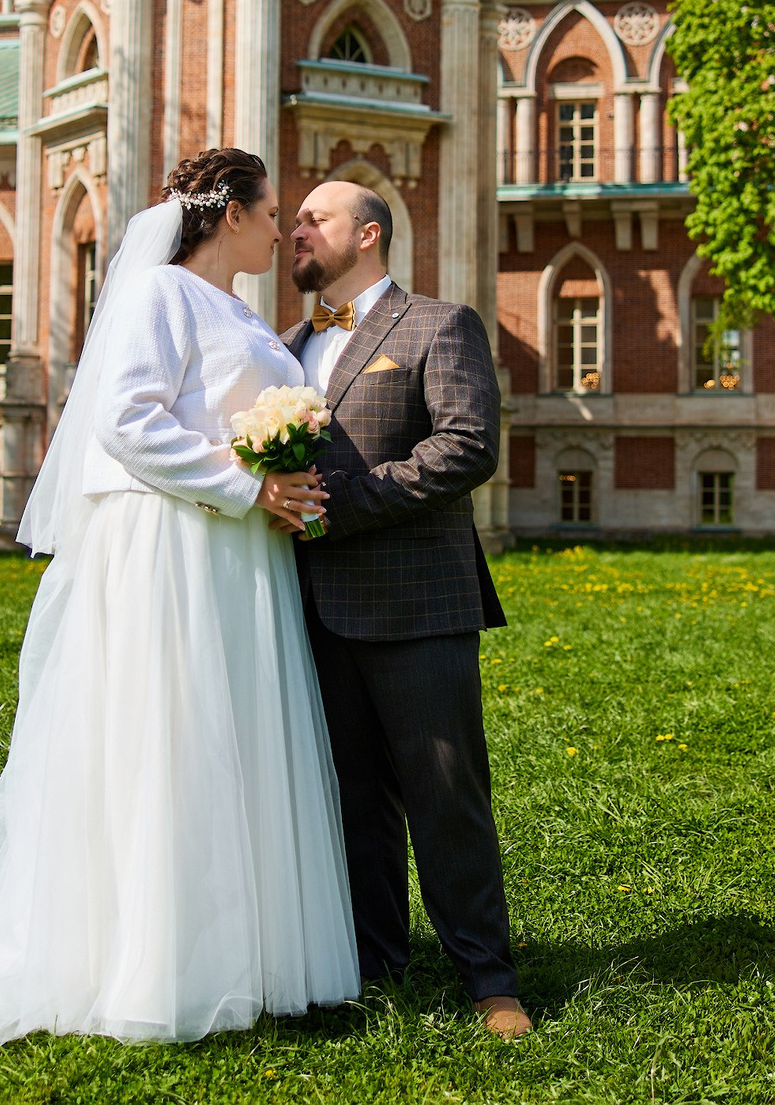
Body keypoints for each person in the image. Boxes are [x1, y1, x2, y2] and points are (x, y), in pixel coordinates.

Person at [0, 149, 356, 1045]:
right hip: (176, 544)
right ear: (230, 213)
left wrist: (280, 478)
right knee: (174, 737)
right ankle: (152, 963)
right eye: (271, 212)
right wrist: (245, 482)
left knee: (238, 738)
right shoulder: (158, 294)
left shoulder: (240, 310)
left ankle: (247, 952)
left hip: (238, 554)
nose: (281, 227)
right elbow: (128, 419)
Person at [284, 180, 530, 1042]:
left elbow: (466, 445)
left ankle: (488, 978)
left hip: (417, 601)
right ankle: (372, 966)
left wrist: (338, 502)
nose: (296, 230)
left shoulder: (439, 323)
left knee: (447, 795)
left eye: (315, 219)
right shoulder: (285, 347)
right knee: (350, 802)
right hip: (311, 612)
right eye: (295, 220)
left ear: (370, 233)